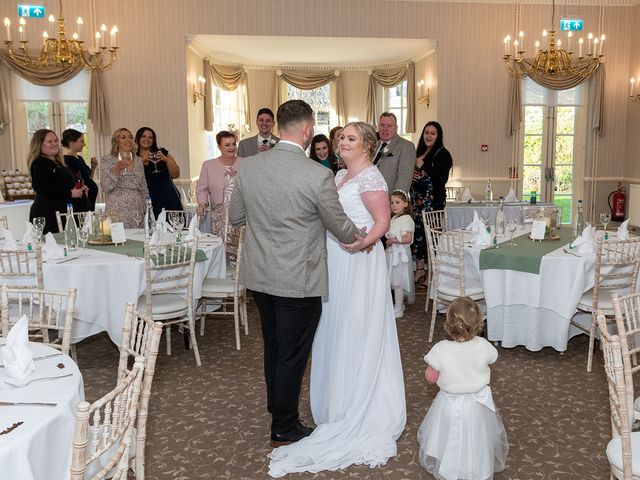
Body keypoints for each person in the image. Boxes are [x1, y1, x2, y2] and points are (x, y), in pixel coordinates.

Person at [268, 121, 406, 477]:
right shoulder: (339, 176)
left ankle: (358, 403)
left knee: (356, 327)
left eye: (350, 139)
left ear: (368, 146)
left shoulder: (371, 178)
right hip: (334, 262)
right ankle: (336, 402)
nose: (342, 142)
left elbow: (382, 221)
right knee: (333, 326)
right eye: (341, 137)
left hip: (358, 263)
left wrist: (364, 242)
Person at [228, 100, 365, 454]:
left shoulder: (249, 167)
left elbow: (237, 217)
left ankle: (278, 408)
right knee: (291, 352)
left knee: (273, 345)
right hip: (299, 279)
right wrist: (363, 236)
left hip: (260, 275)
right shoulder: (315, 174)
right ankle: (284, 426)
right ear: (307, 131)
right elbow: (341, 227)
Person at [418, 296, 508, 480]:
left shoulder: (441, 349)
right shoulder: (483, 346)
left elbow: (430, 377)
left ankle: (449, 467)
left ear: (449, 324)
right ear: (478, 324)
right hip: (477, 405)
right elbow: (493, 357)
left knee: (448, 435)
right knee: (475, 438)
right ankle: (476, 468)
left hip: (449, 404)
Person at [412, 121, 453, 287]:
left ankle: (433, 274)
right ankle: (420, 270)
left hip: (432, 205)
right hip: (417, 203)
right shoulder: (419, 152)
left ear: (438, 136)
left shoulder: (443, 154)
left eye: (432, 133)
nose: (428, 136)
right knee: (418, 237)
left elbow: (441, 179)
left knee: (432, 238)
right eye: (426, 132)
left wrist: (425, 166)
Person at [29, 129, 87, 234]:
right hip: (49, 214)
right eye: (50, 142)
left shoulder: (58, 162)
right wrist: (70, 193)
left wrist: (79, 187)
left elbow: (61, 183)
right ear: (40, 144)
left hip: (61, 212)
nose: (54, 144)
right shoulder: (40, 163)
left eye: (56, 141)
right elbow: (45, 187)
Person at [196, 130, 241, 260]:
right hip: (220, 211)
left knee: (240, 240)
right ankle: (222, 267)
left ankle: (239, 269)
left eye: (233, 144)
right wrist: (202, 203)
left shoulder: (245, 162)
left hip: (241, 210)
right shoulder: (208, 165)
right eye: (227, 145)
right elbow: (202, 188)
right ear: (219, 147)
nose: (231, 148)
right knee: (222, 240)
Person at [100, 128, 148, 228]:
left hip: (137, 209)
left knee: (138, 240)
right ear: (116, 142)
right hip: (116, 208)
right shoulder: (107, 160)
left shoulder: (138, 160)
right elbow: (105, 187)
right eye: (123, 137)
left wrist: (147, 208)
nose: (128, 140)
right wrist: (116, 170)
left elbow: (144, 187)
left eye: (130, 137)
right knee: (119, 241)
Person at [135, 127, 182, 218]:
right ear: (138, 138)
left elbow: (176, 174)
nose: (147, 139)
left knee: (174, 226)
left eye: (150, 137)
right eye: (143, 136)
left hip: (168, 197)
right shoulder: (134, 157)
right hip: (147, 200)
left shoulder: (162, 152)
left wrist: (166, 160)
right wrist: (141, 161)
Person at [385, 189, 415, 319]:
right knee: (394, 281)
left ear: (405, 204)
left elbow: (408, 238)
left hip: (400, 255)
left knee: (398, 282)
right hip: (393, 254)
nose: (394, 205)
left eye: (398, 202)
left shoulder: (407, 219)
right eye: (392, 203)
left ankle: (398, 309)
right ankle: (399, 305)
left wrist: (393, 240)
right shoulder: (394, 218)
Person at [373, 112, 415, 193]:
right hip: (370, 198)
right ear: (378, 127)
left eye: (389, 126)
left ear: (396, 128)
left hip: (390, 199)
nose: (385, 129)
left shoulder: (406, 146)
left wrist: (397, 200)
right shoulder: (374, 145)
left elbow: (405, 178)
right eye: (382, 125)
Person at [61, 129, 98, 211]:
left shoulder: (79, 158)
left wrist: (93, 167)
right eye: (82, 141)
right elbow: (72, 182)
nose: (84, 144)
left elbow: (88, 178)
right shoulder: (67, 160)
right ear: (72, 142)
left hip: (87, 199)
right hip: (79, 201)